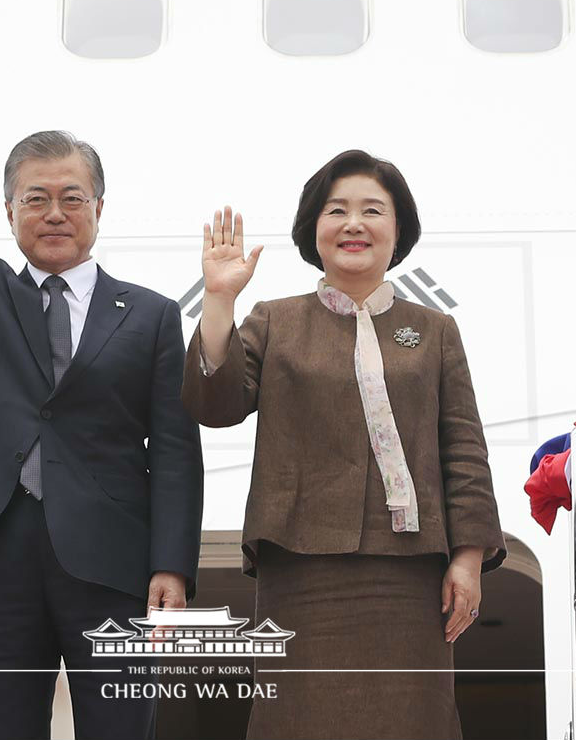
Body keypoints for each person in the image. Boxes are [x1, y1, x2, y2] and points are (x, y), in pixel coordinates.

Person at [0, 30, 204, 740]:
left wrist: (171, 566)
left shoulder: (150, 313)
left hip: (113, 557)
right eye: (36, 198)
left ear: (98, 208)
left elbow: (176, 447)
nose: (54, 212)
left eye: (71, 197)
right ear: (9, 213)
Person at [180, 149, 507, 739]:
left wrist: (469, 556)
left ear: (397, 230)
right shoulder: (274, 320)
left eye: (372, 210)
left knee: (416, 721)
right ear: (314, 230)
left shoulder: (433, 331)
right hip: (301, 568)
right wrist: (219, 301)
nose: (354, 223)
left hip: (412, 574)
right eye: (337, 210)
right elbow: (215, 406)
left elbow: (463, 447)